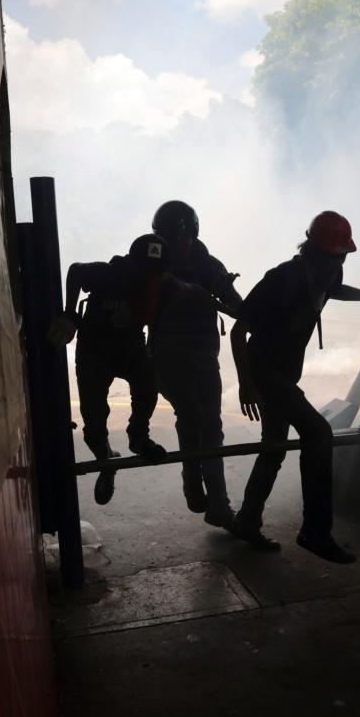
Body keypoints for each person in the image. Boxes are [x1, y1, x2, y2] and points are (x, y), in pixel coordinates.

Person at [229, 211, 360, 563]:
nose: (338, 264)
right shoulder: (281, 279)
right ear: (313, 251)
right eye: (334, 256)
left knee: (274, 447)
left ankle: (248, 520)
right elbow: (238, 331)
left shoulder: (327, 274)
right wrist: (246, 384)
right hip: (265, 374)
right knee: (318, 433)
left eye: (342, 257)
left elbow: (335, 290)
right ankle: (315, 531)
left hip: (284, 375)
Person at [47, 235, 176, 505]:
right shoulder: (107, 273)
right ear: (131, 263)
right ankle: (106, 461)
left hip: (130, 349)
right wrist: (70, 314)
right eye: (144, 271)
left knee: (148, 388)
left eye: (155, 273)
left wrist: (151, 351)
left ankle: (138, 437)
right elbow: (75, 271)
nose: (148, 278)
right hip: (94, 353)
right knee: (94, 424)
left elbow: (156, 317)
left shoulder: (157, 283)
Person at [147, 200, 244, 529]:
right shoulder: (153, 264)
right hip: (168, 359)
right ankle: (195, 483)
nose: (174, 247)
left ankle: (215, 501)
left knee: (209, 427)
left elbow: (237, 309)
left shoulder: (209, 266)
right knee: (193, 419)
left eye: (178, 240)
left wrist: (223, 297)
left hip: (202, 359)